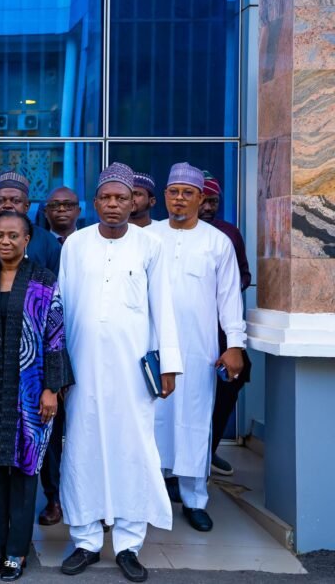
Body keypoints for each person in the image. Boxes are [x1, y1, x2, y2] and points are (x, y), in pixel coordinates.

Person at [57, 163, 182, 583]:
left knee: (134, 449)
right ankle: (87, 540)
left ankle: (129, 544)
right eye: (106, 198)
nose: (113, 205)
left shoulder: (150, 245)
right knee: (82, 446)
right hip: (82, 368)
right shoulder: (74, 245)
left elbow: (163, 305)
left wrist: (169, 365)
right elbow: (60, 308)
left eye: (121, 198)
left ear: (134, 202)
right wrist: (57, 368)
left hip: (133, 370)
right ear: (94, 204)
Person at [0, 211, 74, 580]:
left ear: (28, 239)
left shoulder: (45, 281)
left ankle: (16, 552)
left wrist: (51, 388)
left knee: (24, 471)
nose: (5, 242)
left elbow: (56, 337)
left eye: (13, 236)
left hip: (31, 394)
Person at [150, 164, 246, 533]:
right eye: (173, 191)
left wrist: (235, 344)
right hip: (154, 348)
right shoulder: (149, 236)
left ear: (201, 198)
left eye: (187, 193)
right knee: (153, 421)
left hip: (198, 350)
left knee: (194, 422)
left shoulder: (216, 242)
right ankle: (151, 497)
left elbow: (229, 300)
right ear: (165, 197)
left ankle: (194, 500)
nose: (179, 198)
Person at [199, 172, 252, 477]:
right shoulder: (165, 233)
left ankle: (209, 449)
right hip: (185, 331)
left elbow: (243, 274)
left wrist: (226, 286)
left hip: (222, 331)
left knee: (228, 386)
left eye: (213, 201)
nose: (207, 206)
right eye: (203, 199)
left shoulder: (228, 234)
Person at [36, 186, 79, 526]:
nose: (62, 210)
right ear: (46, 210)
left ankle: (88, 498)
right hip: (47, 353)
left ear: (79, 210)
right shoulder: (39, 245)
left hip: (88, 350)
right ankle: (54, 499)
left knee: (85, 430)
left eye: (68, 205)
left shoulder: (92, 243)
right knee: (50, 434)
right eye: (55, 205)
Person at [0, 172, 61, 275]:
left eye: (15, 201)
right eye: (1, 200)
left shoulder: (47, 241)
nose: (7, 205)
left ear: (27, 206)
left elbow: (54, 285)